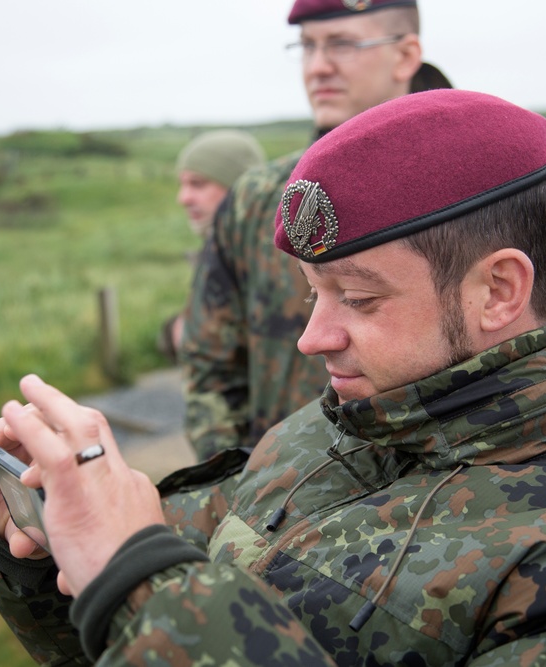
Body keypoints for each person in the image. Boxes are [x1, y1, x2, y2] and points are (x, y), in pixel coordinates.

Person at [0, 89, 546, 666]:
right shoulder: (327, 428)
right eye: (312, 292)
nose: (312, 337)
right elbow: (125, 640)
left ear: (498, 290)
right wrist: (51, 552)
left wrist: (138, 577)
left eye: (360, 298)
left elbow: (159, 610)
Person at [180, 0, 451, 460]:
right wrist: (238, 477)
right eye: (306, 47)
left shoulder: (477, 184)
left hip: (442, 496)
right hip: (283, 496)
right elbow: (211, 362)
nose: (318, 67)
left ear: (405, 56)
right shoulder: (258, 197)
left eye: (343, 45)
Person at [158, 130, 266, 363]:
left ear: (241, 187)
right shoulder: (218, 252)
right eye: (183, 184)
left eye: (197, 184)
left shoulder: (273, 259)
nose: (183, 198)